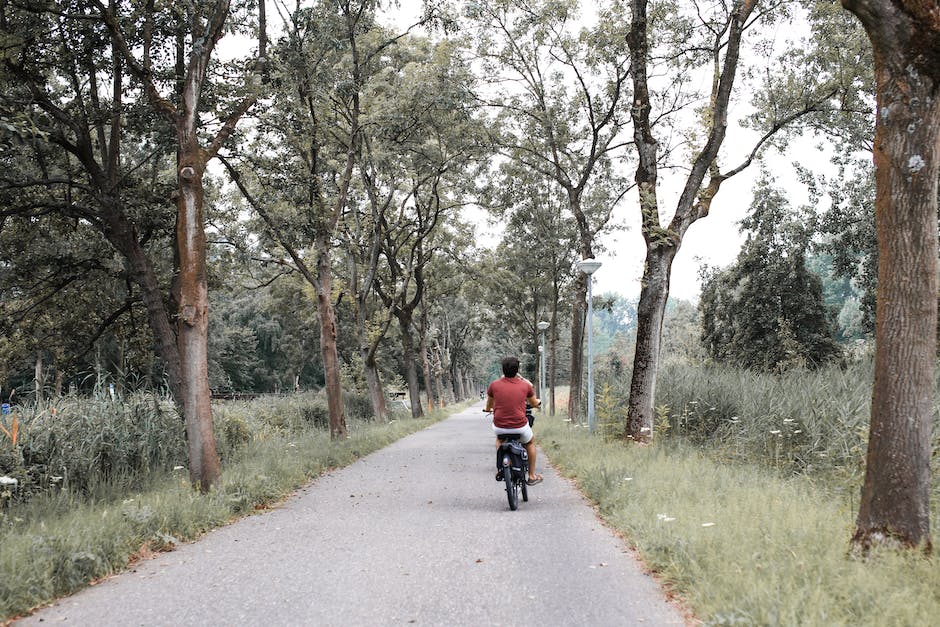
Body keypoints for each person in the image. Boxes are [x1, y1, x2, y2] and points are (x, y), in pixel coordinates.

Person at [484, 356, 543, 485]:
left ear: (503, 370)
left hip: (499, 426)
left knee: (500, 440)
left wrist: (488, 409)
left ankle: (501, 468)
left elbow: (489, 405)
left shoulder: (494, 385)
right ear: (517, 370)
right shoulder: (525, 385)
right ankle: (532, 475)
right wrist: (537, 403)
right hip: (520, 426)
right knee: (530, 442)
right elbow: (533, 403)